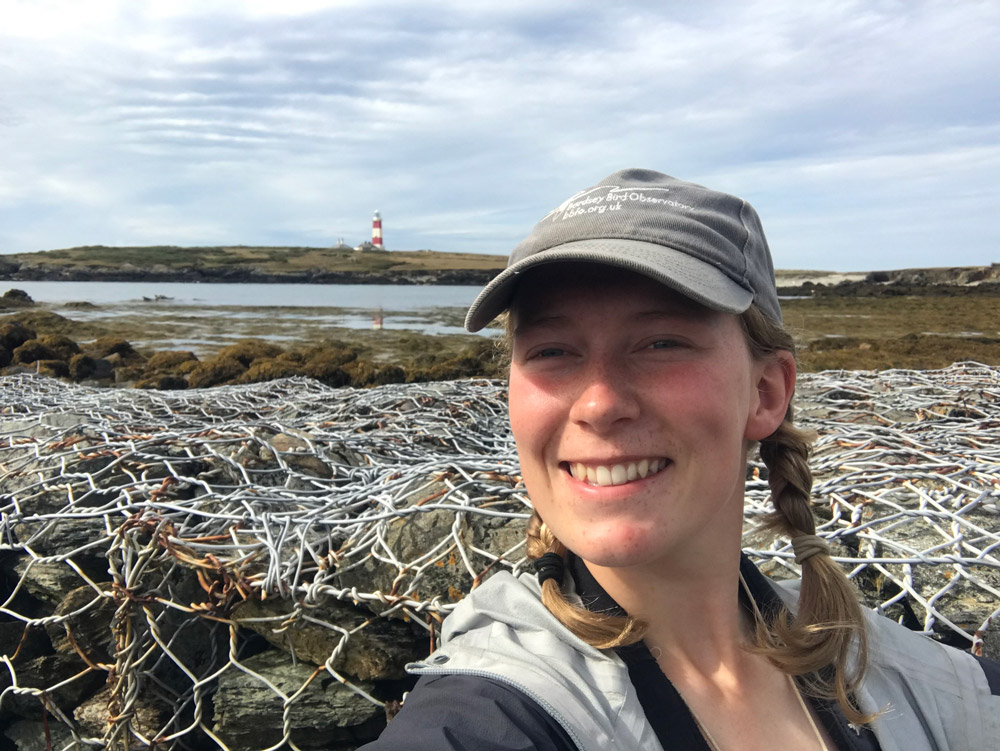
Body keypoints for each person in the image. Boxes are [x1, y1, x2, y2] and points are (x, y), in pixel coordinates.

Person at [360, 169, 999, 750]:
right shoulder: (485, 719)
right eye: (552, 351)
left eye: (662, 342)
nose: (600, 404)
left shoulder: (930, 690)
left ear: (767, 391)